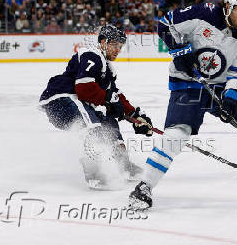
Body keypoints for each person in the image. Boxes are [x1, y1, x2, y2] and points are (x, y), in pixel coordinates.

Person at [128, 0, 237, 210]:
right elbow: (166, 23)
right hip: (188, 84)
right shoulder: (202, 13)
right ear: (227, 7)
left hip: (221, 87)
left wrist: (231, 98)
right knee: (176, 135)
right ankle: (144, 186)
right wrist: (179, 52)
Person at [39, 25, 153, 189]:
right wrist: (108, 100)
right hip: (61, 99)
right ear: (103, 42)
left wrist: (136, 117)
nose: (118, 50)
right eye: (114, 44)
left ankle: (122, 164)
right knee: (94, 128)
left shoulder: (107, 69)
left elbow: (115, 96)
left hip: (74, 105)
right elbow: (84, 89)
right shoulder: (92, 54)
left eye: (120, 46)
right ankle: (94, 171)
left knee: (109, 123)